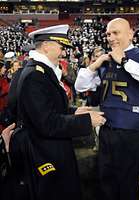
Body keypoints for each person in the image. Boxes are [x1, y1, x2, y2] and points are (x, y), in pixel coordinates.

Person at [6, 24, 106, 200]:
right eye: (60, 47)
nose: (63, 52)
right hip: (44, 150)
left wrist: (74, 112)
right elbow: (46, 123)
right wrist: (85, 121)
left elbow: (47, 107)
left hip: (47, 146)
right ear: (46, 46)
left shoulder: (39, 71)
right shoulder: (35, 76)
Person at [75, 18, 139, 200]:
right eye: (108, 34)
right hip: (108, 131)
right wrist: (95, 63)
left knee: (131, 183)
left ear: (131, 33)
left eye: (116, 32)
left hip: (135, 132)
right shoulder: (105, 60)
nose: (110, 37)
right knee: (107, 180)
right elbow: (80, 85)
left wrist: (125, 61)